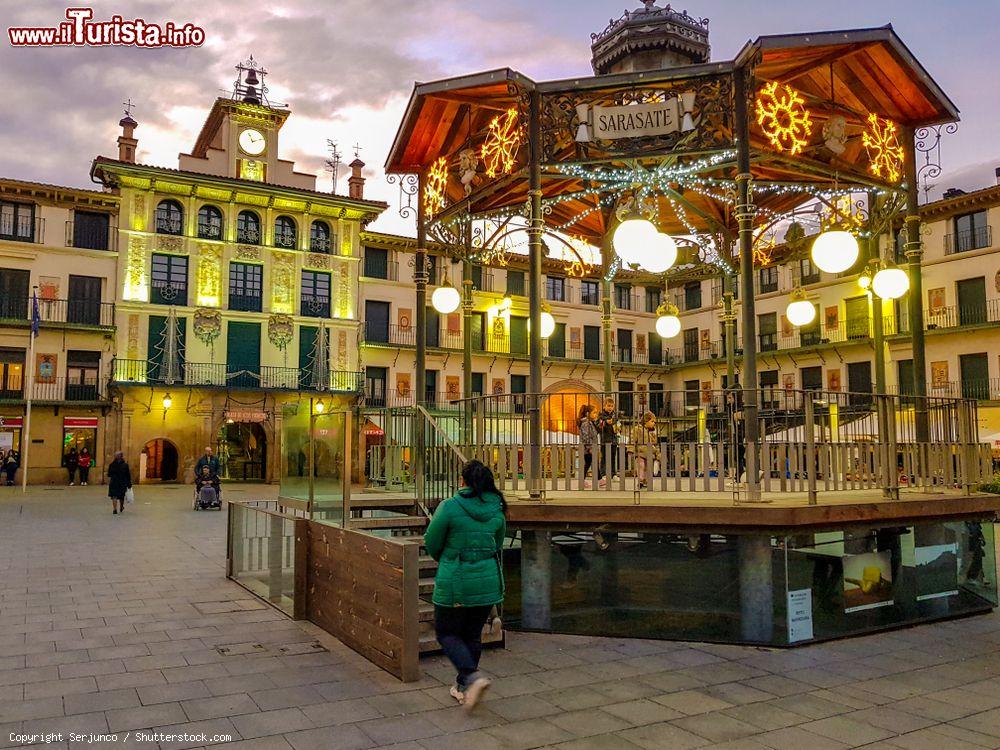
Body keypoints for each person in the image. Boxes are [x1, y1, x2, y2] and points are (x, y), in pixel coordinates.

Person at [424, 460, 506, 711]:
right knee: (472, 634)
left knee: (446, 632)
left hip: (456, 579)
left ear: (463, 481)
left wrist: (447, 559)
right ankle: (463, 688)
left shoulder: (449, 506)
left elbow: (432, 541)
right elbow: (498, 543)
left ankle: (471, 677)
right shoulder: (498, 510)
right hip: (488, 579)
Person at [629, 410, 658, 489]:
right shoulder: (638, 429)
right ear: (646, 421)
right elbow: (632, 439)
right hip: (640, 452)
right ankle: (641, 480)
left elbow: (654, 444)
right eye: (652, 421)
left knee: (648, 467)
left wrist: (656, 453)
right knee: (641, 465)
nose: (654, 423)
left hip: (649, 453)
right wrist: (631, 449)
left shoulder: (652, 432)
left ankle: (646, 480)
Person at [595, 398, 620, 479]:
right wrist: (605, 422)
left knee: (613, 457)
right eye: (608, 406)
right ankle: (603, 474)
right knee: (604, 457)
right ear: (604, 406)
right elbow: (598, 426)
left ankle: (613, 474)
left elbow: (618, 424)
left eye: (612, 406)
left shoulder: (615, 415)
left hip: (614, 439)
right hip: (605, 440)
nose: (610, 408)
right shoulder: (601, 415)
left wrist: (619, 428)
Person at [577, 404, 600, 486]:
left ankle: (598, 479)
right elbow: (586, 436)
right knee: (589, 463)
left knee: (590, 462)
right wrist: (590, 447)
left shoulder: (590, 423)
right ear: (587, 414)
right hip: (588, 448)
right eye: (594, 413)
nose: (596, 414)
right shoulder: (586, 423)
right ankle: (599, 479)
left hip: (589, 447)